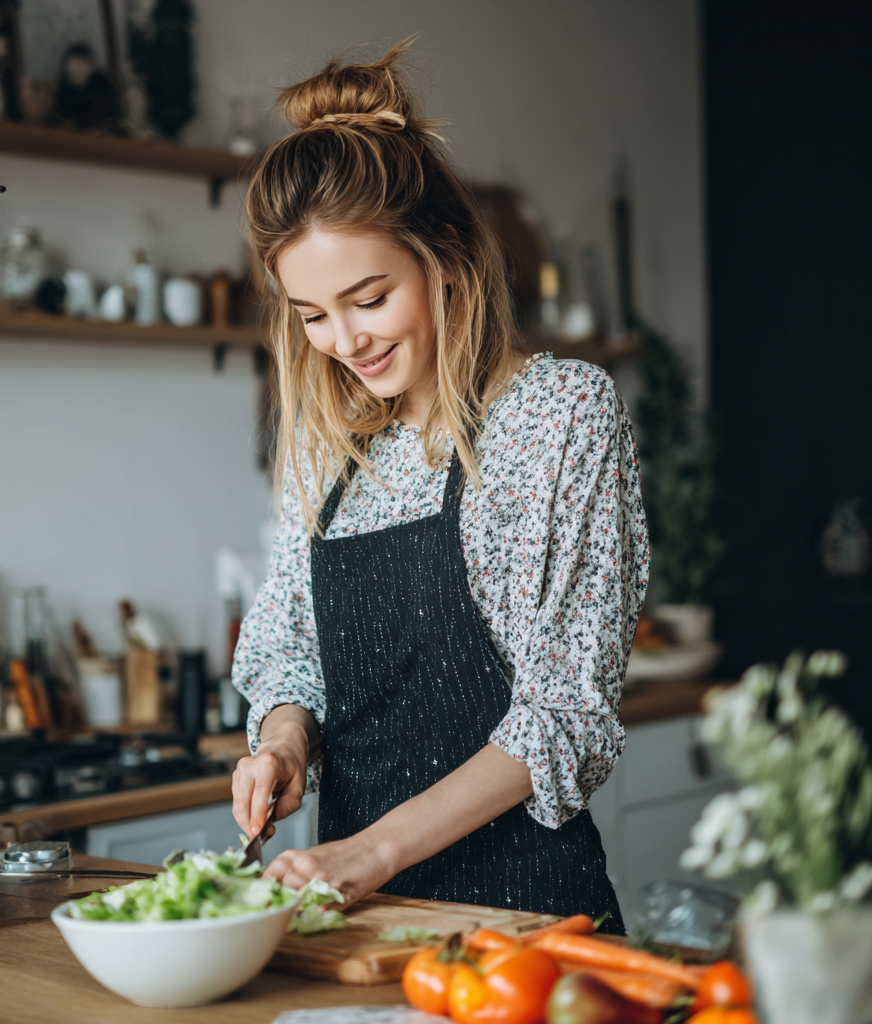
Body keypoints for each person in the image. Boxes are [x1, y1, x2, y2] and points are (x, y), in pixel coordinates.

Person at [230, 40, 648, 933]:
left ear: (445, 254)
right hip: (355, 926)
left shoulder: (559, 413)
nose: (344, 340)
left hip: (527, 926)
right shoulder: (327, 440)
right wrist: (282, 740)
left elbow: (565, 713)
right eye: (311, 315)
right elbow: (288, 640)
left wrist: (372, 852)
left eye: (369, 297)